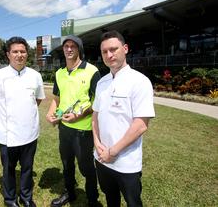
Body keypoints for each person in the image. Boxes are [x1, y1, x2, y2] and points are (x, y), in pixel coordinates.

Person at [92, 30, 155, 207]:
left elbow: (141, 125)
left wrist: (113, 152)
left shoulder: (139, 81)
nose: (109, 55)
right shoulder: (102, 82)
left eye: (113, 49)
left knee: (133, 202)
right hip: (102, 158)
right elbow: (95, 115)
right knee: (111, 199)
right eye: (104, 51)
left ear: (125, 49)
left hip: (126, 163)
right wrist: (97, 143)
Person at [0, 36, 45, 207]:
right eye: (15, 52)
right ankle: (10, 199)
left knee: (27, 169)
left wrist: (25, 113)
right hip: (7, 134)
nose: (19, 55)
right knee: (8, 169)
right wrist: (8, 114)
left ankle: (26, 198)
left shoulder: (35, 75)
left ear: (27, 54)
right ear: (8, 55)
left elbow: (38, 99)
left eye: (23, 51)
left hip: (30, 133)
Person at [46, 35, 101, 207]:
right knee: (66, 164)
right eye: (66, 46)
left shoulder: (92, 71)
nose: (69, 49)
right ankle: (70, 193)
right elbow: (56, 98)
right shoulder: (59, 73)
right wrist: (50, 113)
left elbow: (98, 103)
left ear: (79, 49)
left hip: (83, 131)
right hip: (64, 129)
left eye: (73, 46)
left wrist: (80, 115)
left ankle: (92, 199)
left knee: (86, 168)